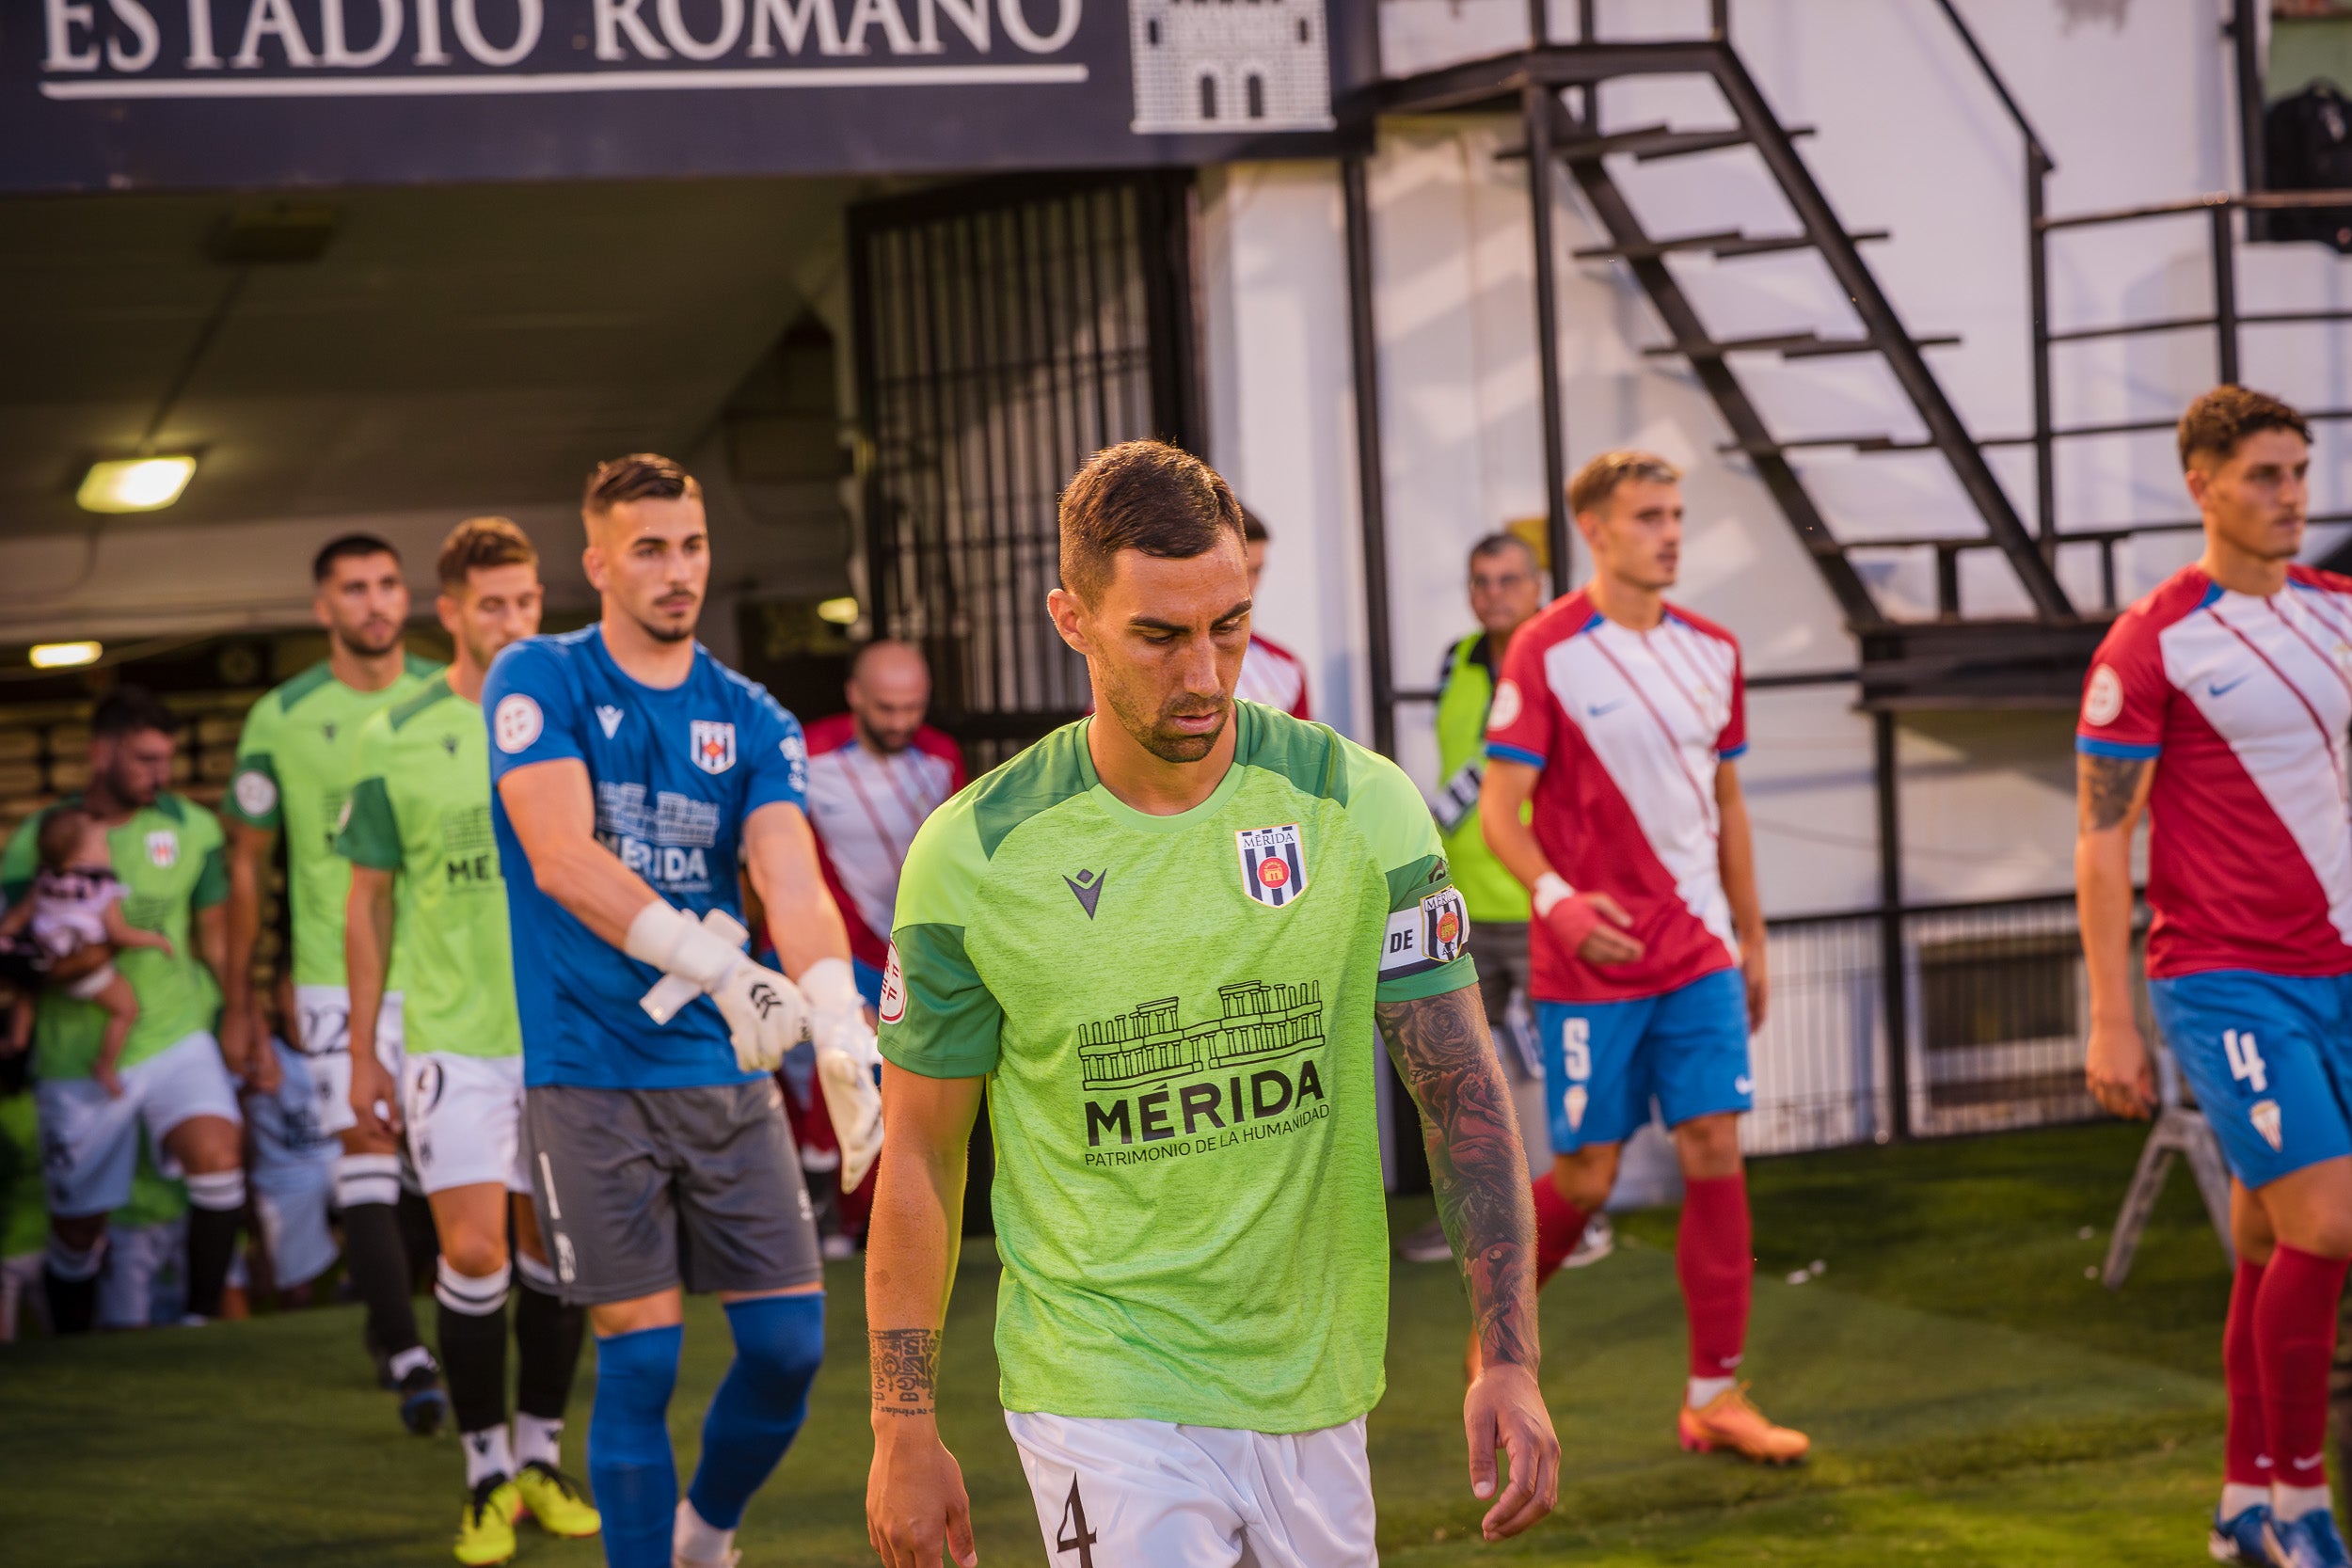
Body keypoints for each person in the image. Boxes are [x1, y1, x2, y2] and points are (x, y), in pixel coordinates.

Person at [865, 440, 1559, 1568]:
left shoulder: (1361, 806)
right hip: (1098, 1377)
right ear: (1071, 617)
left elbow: (1460, 1086)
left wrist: (1508, 1352)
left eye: (1226, 625)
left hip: (1316, 1378)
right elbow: (920, 1151)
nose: (1204, 672)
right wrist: (902, 1423)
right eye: (1158, 634)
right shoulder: (973, 854)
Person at [485, 453, 880, 1568]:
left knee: (790, 1343)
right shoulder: (538, 676)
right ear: (598, 559)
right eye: (649, 547)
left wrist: (837, 1017)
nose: (676, 569)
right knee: (643, 1357)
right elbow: (562, 856)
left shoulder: (751, 713)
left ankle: (703, 1533)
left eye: (692, 545)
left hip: (720, 1069)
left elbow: (790, 879)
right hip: (588, 1068)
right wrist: (717, 964)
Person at [1479, 450, 1804, 1465]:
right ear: (1597, 530)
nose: (1670, 531)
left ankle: (1715, 1393)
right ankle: (1496, 1346)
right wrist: (1558, 903)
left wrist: (1751, 933)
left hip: (1697, 947)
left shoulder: (1715, 649)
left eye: (1676, 513)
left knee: (1714, 1143)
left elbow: (1728, 804)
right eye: (1649, 515)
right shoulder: (1543, 649)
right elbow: (1498, 813)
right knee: (1586, 1173)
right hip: (1590, 960)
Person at [2077, 387, 2352, 1568]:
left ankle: (2241, 1501)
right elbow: (2100, 838)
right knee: (2330, 1226)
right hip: (2225, 975)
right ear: (2202, 484)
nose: (2290, 495)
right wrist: (2110, 1022)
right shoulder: (2151, 640)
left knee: (2263, 1242)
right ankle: (2300, 1508)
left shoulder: (2342, 612)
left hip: (2338, 964)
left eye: (2299, 471)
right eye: (2263, 475)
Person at [339, 515, 602, 1564]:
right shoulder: (391, 732)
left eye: (526, 601)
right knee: (474, 1248)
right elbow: (366, 904)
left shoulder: (577, 708)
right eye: (491, 604)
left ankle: (539, 1453)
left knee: (554, 1250)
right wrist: (365, 1048)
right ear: (446, 611)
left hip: (563, 1031)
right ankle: (484, 1468)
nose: (512, 620)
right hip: (453, 1032)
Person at [223, 533, 447, 1430]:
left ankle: (428, 1318)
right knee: (366, 1154)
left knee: (440, 1166)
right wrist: (242, 997)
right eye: (354, 589)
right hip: (328, 977)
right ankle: (401, 1343)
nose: (375, 602)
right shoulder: (278, 716)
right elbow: (246, 864)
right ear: (324, 608)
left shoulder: (446, 697)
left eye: (388, 585)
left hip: (441, 973)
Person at [1403, 532, 1620, 1272]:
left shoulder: (1565, 659)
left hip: (1537, 904)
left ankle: (1578, 1218)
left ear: (1537, 585)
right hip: (1460, 907)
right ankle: (1479, 1223)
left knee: (1557, 1071)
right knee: (1465, 1073)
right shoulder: (1455, 662)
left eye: (1507, 580)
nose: (1493, 593)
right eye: (1480, 580)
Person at [3, 687, 244, 1333]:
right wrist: (67, 963)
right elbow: (16, 943)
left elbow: (216, 930)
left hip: (175, 1030)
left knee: (220, 1157)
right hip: (76, 1052)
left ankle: (198, 1323)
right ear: (100, 753)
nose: (160, 773)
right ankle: (74, 1348)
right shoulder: (45, 833)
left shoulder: (191, 825)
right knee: (78, 1229)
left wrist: (243, 1012)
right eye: (143, 759)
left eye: (165, 758)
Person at [803, 641, 967, 1009]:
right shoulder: (805, 754)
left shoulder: (943, 755)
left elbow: (957, 852)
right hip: (840, 944)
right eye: (886, 708)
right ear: (855, 694)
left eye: (914, 708)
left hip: (922, 946)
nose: (900, 723)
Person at [0, 806, 178, 1096]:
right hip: (85, 971)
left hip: (41, 957)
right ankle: (105, 1066)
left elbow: (20, 915)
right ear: (82, 856)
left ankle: (15, 1040)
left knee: (26, 994)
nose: (108, 849)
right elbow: (118, 934)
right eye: (102, 844)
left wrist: (6, 937)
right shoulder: (102, 888)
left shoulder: (46, 879)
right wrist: (155, 940)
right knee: (126, 1009)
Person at [242, 963, 339, 1313]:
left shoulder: (349, 1041)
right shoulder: (260, 1051)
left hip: (342, 1160)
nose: (303, 992)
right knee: (295, 1293)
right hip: (286, 1173)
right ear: (276, 996)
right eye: (293, 982)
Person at [1234, 507, 1312, 720]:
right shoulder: (1160, 656)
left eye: (1256, 571)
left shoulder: (1285, 667)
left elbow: (1301, 752)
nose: (1249, 585)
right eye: (1239, 570)